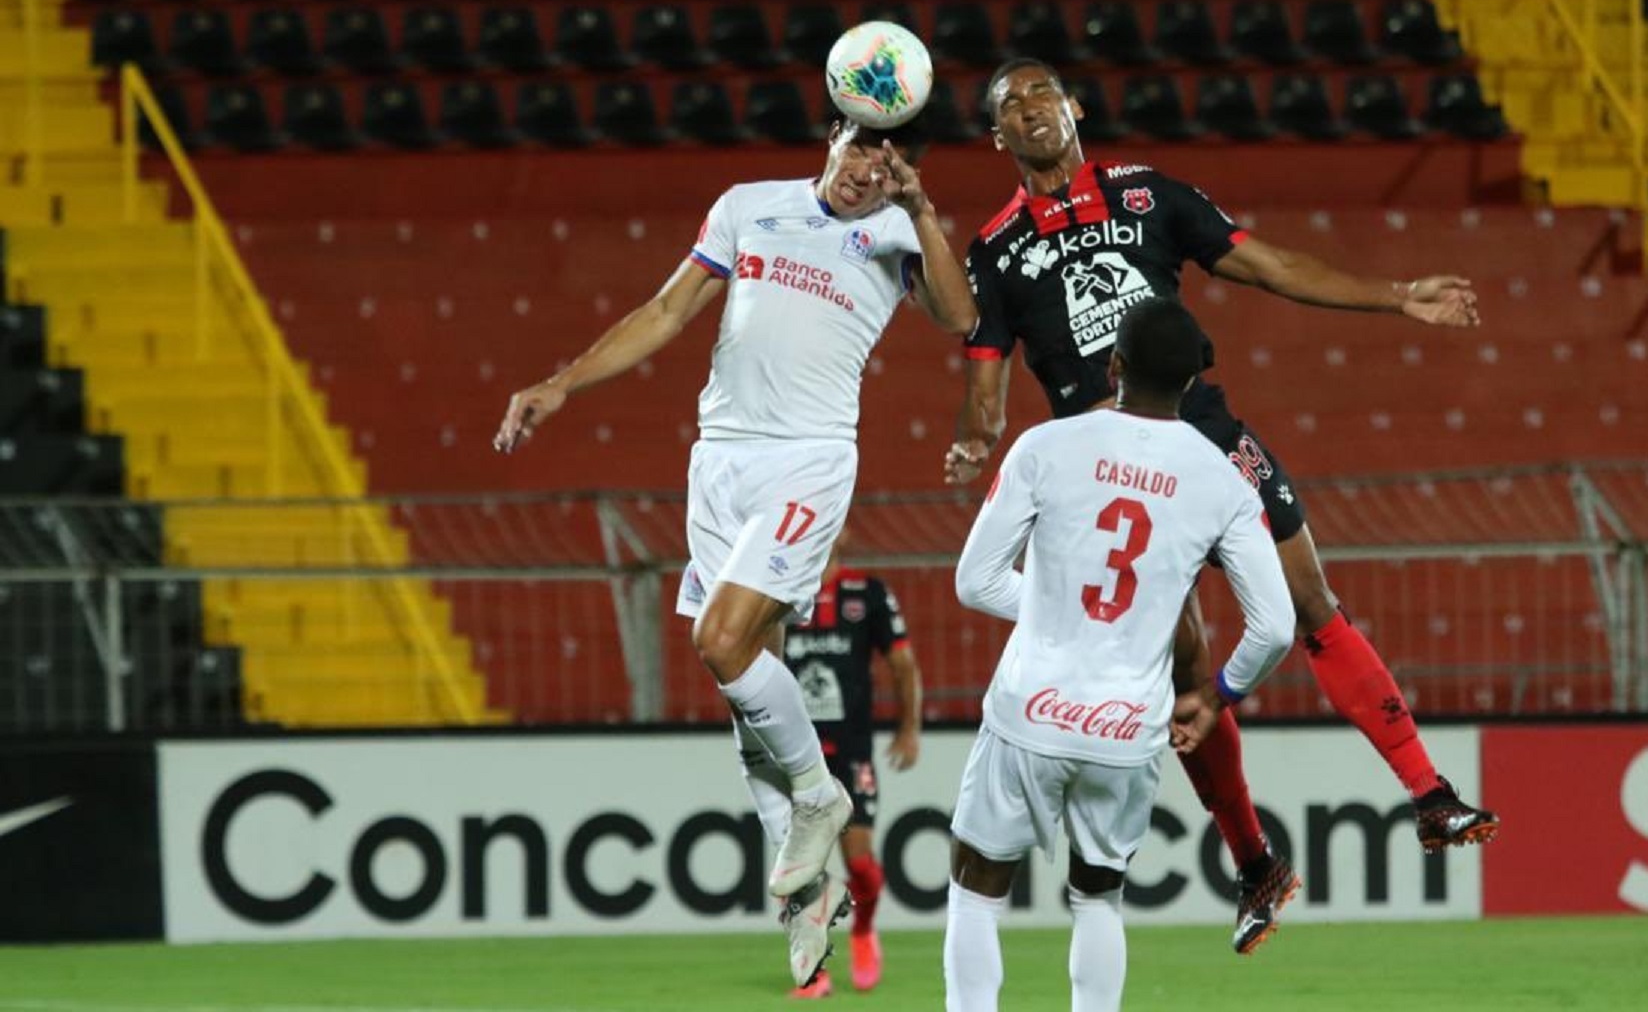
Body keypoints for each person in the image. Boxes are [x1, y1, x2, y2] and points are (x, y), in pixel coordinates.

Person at [945, 58, 1501, 954]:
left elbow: (1270, 265)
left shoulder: (1148, 195)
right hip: (1103, 475)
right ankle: (1255, 863)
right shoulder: (995, 250)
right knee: (1184, 673)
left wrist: (1400, 298)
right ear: (997, 137)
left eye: (1044, 90)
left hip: (1203, 433)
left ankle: (1431, 796)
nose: (1031, 107)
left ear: (1076, 105)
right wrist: (976, 439)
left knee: (1310, 601)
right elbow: (986, 381)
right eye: (1010, 103)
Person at [493, 119, 975, 990]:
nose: (872, 167)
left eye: (891, 157)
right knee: (746, 698)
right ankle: (805, 906)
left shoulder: (900, 231)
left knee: (720, 642)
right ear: (831, 133)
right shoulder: (750, 208)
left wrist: (923, 208)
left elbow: (960, 314)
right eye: (862, 147)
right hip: (719, 463)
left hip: (810, 458)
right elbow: (669, 310)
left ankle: (821, 797)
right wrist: (563, 382)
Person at [944, 298, 1297, 1012]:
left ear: (1114, 367)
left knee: (976, 889)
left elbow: (975, 581)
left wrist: (1057, 610)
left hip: (1029, 710)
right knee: (1098, 898)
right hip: (1128, 726)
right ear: (1193, 384)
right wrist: (1217, 694)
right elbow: (1276, 627)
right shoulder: (1223, 479)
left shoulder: (1046, 446)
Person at [778, 527, 923, 998]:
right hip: (799, 759)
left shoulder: (868, 593)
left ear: (842, 532)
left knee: (859, 864)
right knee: (801, 871)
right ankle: (814, 973)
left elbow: (902, 665)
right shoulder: (781, 593)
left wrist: (908, 728)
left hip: (853, 749)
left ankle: (862, 929)